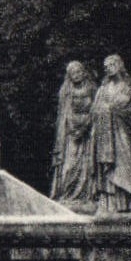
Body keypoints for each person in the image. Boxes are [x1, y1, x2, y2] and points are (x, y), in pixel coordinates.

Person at [91, 54, 131, 215]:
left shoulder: (129, 88)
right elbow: (94, 111)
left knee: (126, 164)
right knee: (108, 169)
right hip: (106, 135)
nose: (107, 68)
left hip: (122, 132)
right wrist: (105, 110)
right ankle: (108, 203)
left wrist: (114, 110)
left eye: (111, 64)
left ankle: (130, 200)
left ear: (119, 65)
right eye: (105, 66)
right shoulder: (102, 90)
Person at [49, 61, 97, 209]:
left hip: (88, 133)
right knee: (69, 167)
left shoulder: (92, 88)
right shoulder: (66, 90)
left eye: (79, 72)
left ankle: (86, 197)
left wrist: (86, 126)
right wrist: (74, 129)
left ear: (83, 72)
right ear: (69, 76)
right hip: (71, 135)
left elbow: (96, 110)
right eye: (73, 73)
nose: (76, 75)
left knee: (87, 167)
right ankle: (66, 195)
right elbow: (64, 114)